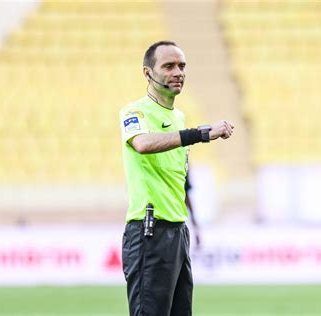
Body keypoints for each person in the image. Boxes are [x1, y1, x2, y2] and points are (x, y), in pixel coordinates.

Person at [119, 40, 234, 316]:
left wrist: (192, 225)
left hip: (177, 232)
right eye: (168, 66)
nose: (178, 72)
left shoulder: (178, 117)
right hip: (150, 231)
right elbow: (143, 144)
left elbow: (180, 182)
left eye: (181, 66)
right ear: (147, 73)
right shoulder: (135, 112)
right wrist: (201, 133)